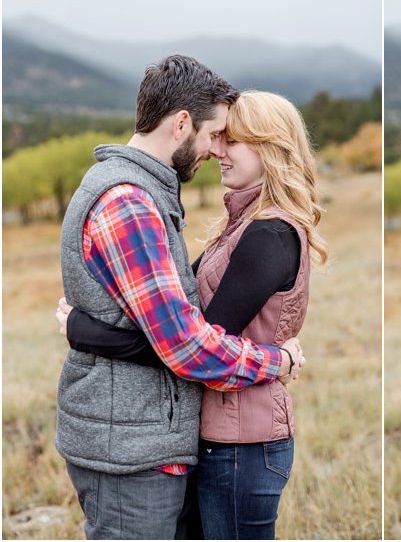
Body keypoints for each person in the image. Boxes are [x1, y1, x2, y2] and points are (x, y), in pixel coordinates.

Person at [55, 57, 304, 540]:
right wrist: (275, 362)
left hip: (137, 438)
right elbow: (187, 345)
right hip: (129, 444)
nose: (215, 150)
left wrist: (88, 333)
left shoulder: (144, 192)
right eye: (215, 135)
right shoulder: (130, 201)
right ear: (182, 123)